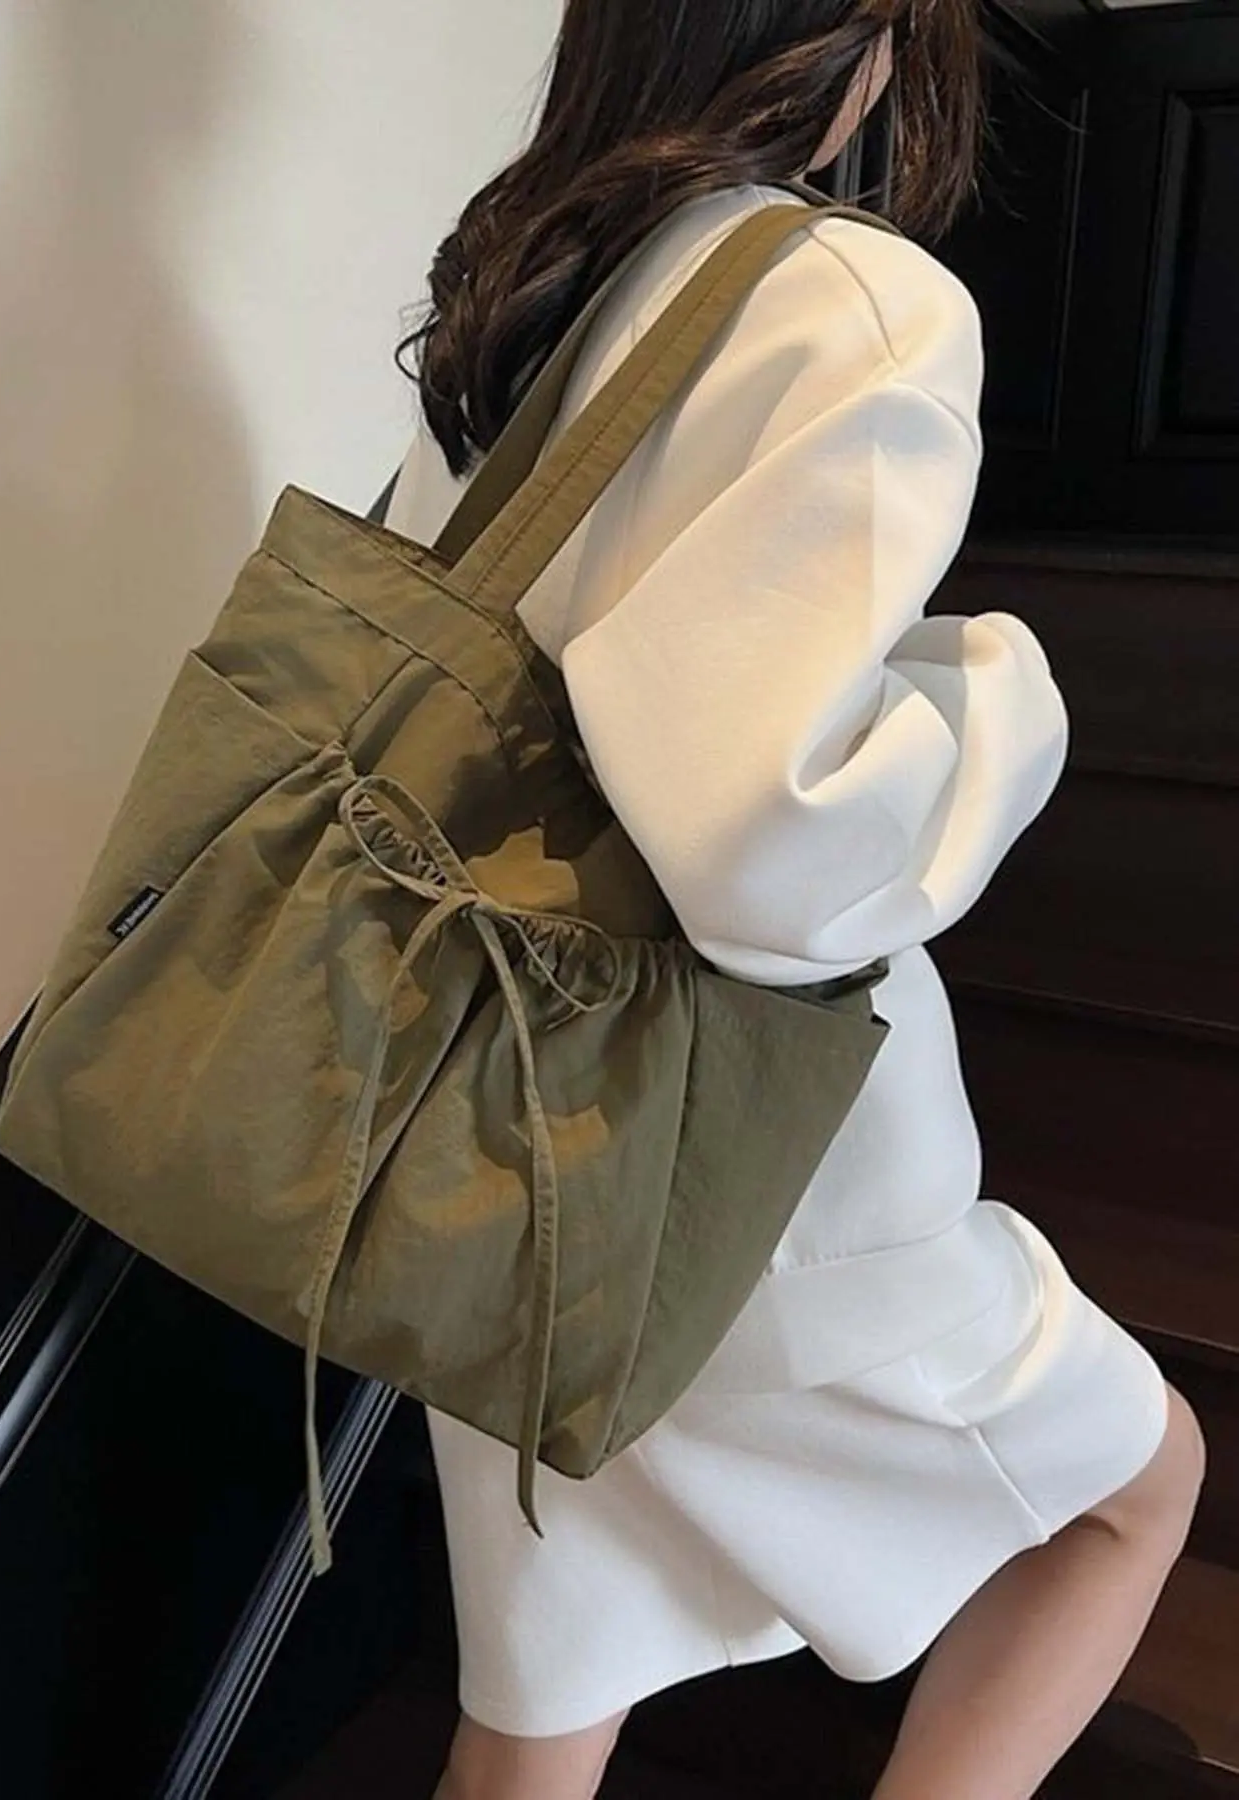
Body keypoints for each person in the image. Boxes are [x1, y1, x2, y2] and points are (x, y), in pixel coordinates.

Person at [382, 5, 1208, 1797]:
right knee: (1132, 1491)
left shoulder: (521, 287)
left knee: (548, 1691)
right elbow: (769, 847)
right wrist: (996, 700)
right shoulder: (845, 298)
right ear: (861, 36)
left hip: (504, 1129)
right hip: (759, 1181)